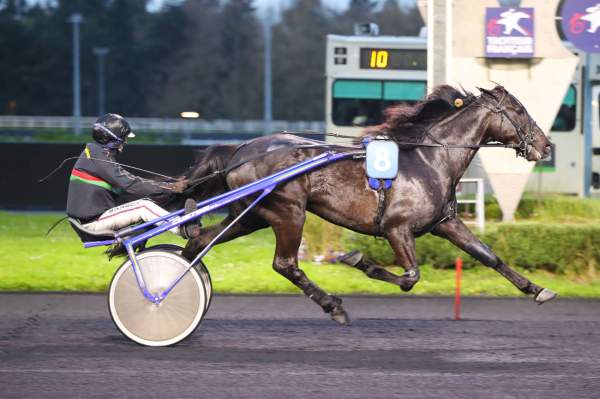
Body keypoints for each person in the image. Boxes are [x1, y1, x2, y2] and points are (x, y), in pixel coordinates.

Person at [66, 113, 201, 239]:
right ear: (115, 139)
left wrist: (170, 183)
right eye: (124, 139)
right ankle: (182, 228)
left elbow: (132, 183)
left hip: (96, 219)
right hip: (93, 224)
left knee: (148, 203)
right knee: (143, 207)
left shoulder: (96, 154)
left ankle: (183, 221)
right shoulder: (97, 156)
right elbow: (131, 184)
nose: (125, 142)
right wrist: (170, 187)